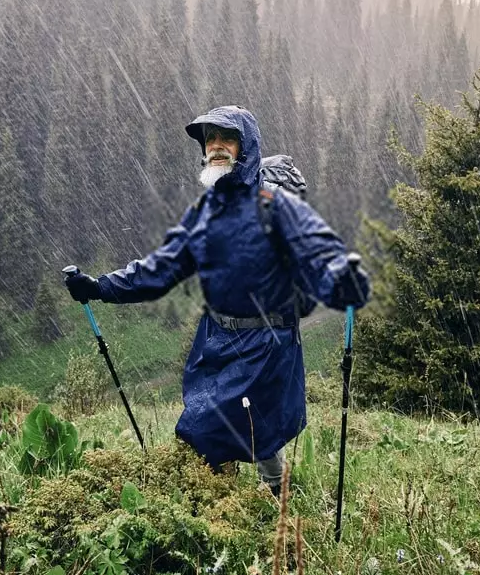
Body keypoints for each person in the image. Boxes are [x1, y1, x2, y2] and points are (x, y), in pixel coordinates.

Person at [64, 105, 369, 495]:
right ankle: (233, 500)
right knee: (220, 427)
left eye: (227, 138)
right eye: (210, 139)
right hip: (217, 339)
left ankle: (260, 499)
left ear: (247, 147)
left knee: (239, 429)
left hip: (266, 343)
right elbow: (161, 268)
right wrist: (100, 287)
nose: (217, 147)